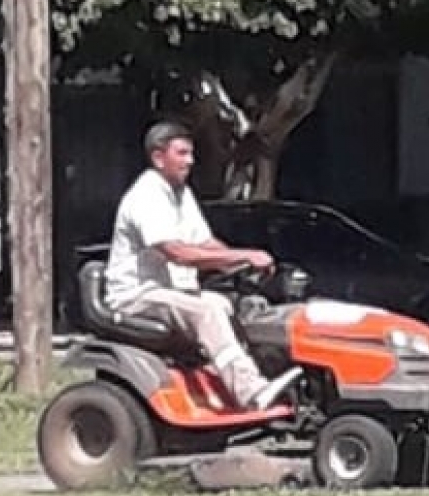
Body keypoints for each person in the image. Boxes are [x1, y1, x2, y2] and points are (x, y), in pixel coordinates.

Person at [103, 120, 302, 411]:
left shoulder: (180, 194)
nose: (190, 161)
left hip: (167, 292)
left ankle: (251, 376)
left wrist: (240, 263)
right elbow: (177, 252)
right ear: (159, 158)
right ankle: (251, 392)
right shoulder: (146, 196)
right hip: (136, 296)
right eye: (182, 153)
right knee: (206, 311)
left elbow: (204, 243)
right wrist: (243, 256)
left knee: (230, 305)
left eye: (191, 154)